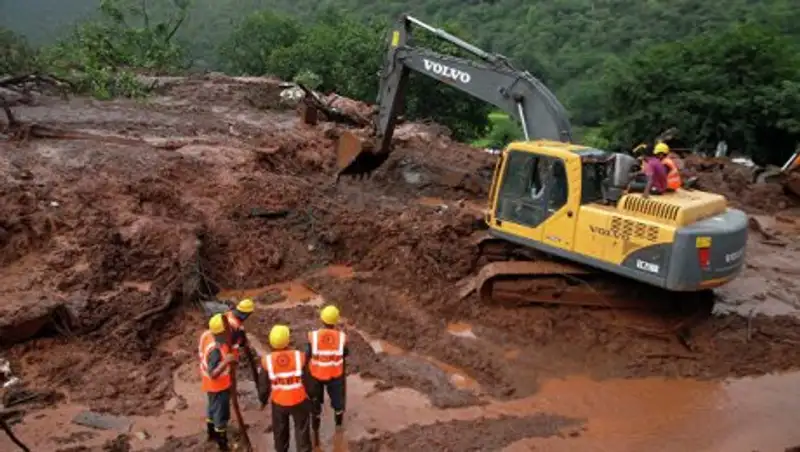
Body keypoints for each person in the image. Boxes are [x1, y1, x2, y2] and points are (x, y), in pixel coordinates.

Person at [258, 324, 313, 452]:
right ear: (288, 340)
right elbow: (308, 380)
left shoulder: (268, 361)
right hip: (299, 400)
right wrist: (312, 396)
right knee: (302, 429)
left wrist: (263, 400)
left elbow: (263, 386)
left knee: (280, 431)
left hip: (279, 403)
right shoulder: (299, 357)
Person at [306, 305, 349, 446]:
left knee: (315, 403)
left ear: (322, 319)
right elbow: (345, 353)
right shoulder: (341, 337)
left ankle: (315, 430)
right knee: (338, 402)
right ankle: (338, 426)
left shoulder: (314, 336)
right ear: (335, 321)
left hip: (316, 375)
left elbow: (308, 355)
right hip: (335, 376)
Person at [199, 313, 238, 451]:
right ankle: (223, 444)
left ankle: (211, 434)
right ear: (221, 332)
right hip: (218, 386)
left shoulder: (206, 335)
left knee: (212, 409)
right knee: (221, 414)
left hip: (209, 385)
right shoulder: (215, 350)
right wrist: (226, 361)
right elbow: (213, 373)